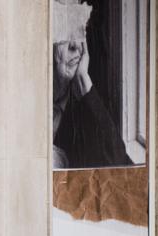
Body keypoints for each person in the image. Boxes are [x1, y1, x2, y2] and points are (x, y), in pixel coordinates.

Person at [52, 0, 133, 169]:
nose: (75, 45)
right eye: (63, 32)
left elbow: (120, 164)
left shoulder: (86, 102)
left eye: (78, 28)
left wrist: (84, 82)